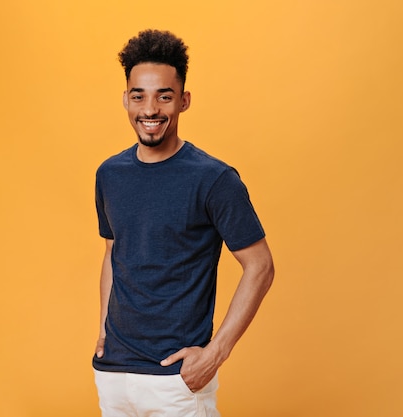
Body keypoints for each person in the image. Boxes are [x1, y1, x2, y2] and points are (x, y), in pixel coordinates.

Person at [93, 29, 275, 417]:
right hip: (114, 377)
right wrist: (104, 331)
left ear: (184, 100)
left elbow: (260, 265)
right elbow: (113, 252)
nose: (150, 109)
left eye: (164, 95)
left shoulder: (213, 179)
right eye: (139, 95)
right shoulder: (110, 174)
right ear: (126, 98)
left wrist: (215, 354)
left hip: (176, 380)